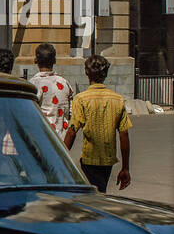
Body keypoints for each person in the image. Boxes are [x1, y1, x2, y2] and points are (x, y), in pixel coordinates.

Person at [63, 54, 131, 193]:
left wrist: (62, 156)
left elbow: (72, 131)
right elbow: (124, 134)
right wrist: (125, 167)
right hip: (108, 161)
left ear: (87, 73)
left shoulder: (81, 99)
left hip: (89, 160)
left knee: (93, 196)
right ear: (105, 74)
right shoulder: (117, 99)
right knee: (100, 191)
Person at [30, 42, 73, 141]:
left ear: (36, 60)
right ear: (54, 60)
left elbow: (30, 114)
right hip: (61, 141)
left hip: (42, 140)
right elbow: (70, 113)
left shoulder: (34, 84)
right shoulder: (65, 83)